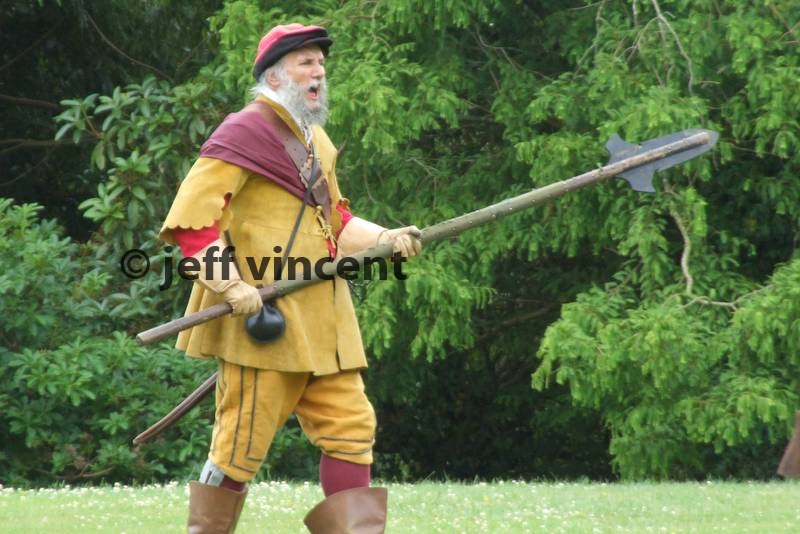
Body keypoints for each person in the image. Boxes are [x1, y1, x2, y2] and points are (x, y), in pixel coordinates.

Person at [158, 23, 422, 533]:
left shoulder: (315, 139)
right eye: (305, 63)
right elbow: (193, 225)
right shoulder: (242, 133)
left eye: (320, 63)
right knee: (239, 446)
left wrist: (385, 238)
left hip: (324, 318)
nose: (318, 71)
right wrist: (232, 285)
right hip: (264, 317)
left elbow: (336, 221)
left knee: (351, 431)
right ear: (274, 77)